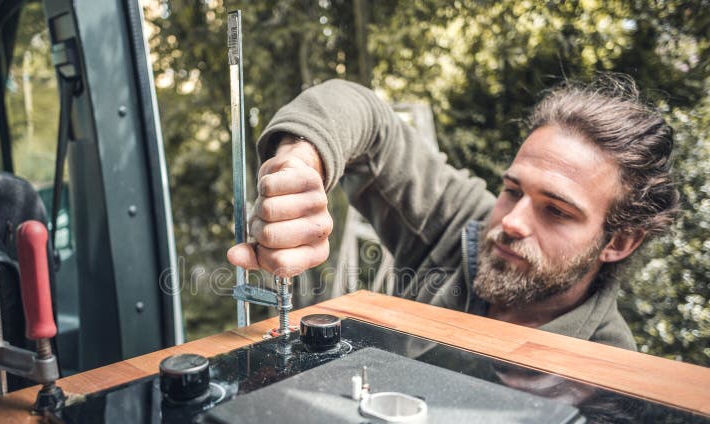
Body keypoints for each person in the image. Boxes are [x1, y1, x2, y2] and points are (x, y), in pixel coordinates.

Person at [227, 76, 678, 350]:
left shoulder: (612, 369)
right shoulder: (460, 222)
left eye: (556, 212)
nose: (512, 222)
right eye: (512, 190)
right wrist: (302, 163)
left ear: (619, 241)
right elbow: (360, 111)